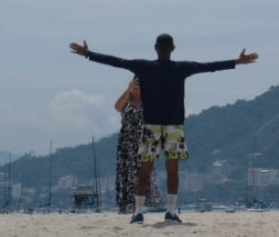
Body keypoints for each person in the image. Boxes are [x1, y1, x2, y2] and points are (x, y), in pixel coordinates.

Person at [70, 34, 259, 224]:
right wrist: (237, 61)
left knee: (144, 171)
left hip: (150, 125)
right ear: (173, 48)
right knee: (172, 171)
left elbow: (116, 62)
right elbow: (209, 67)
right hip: (173, 126)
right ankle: (170, 211)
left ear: (155, 48)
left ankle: (137, 213)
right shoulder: (181, 68)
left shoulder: (144, 67)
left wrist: (88, 54)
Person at [113, 77, 161, 214]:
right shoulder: (126, 102)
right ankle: (122, 207)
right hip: (127, 143)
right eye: (134, 87)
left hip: (144, 142)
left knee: (140, 175)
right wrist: (128, 89)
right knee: (124, 174)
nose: (137, 90)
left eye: (139, 87)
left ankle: (136, 207)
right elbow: (117, 107)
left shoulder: (148, 102)